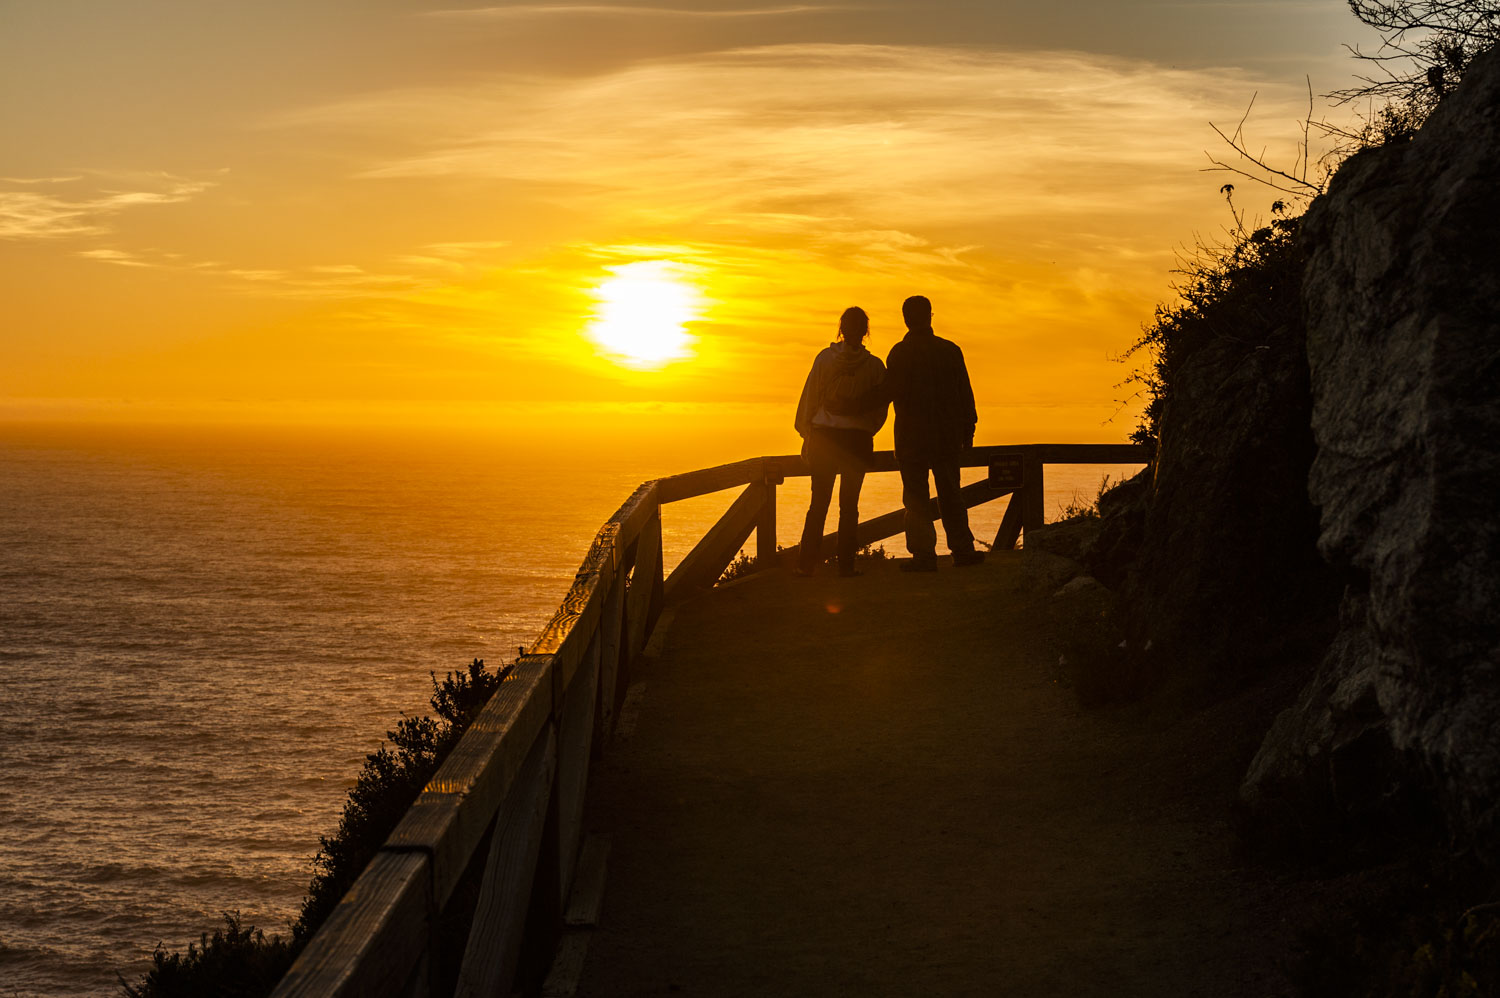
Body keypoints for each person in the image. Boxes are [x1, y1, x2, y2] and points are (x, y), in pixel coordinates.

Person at [884, 295, 983, 571]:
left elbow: (888, 393)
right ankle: (962, 550)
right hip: (946, 438)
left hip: (911, 439)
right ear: (930, 316)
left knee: (916, 499)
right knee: (951, 494)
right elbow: (966, 394)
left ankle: (924, 555)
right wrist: (968, 428)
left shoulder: (900, 353)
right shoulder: (950, 351)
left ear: (906, 319)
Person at [793, 306, 889, 577]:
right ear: (865, 331)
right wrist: (866, 428)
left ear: (841, 329)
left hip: (824, 436)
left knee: (818, 503)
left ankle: (805, 564)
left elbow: (809, 398)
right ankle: (846, 565)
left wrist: (807, 432)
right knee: (849, 505)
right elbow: (880, 408)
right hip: (857, 441)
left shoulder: (825, 359)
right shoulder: (874, 366)